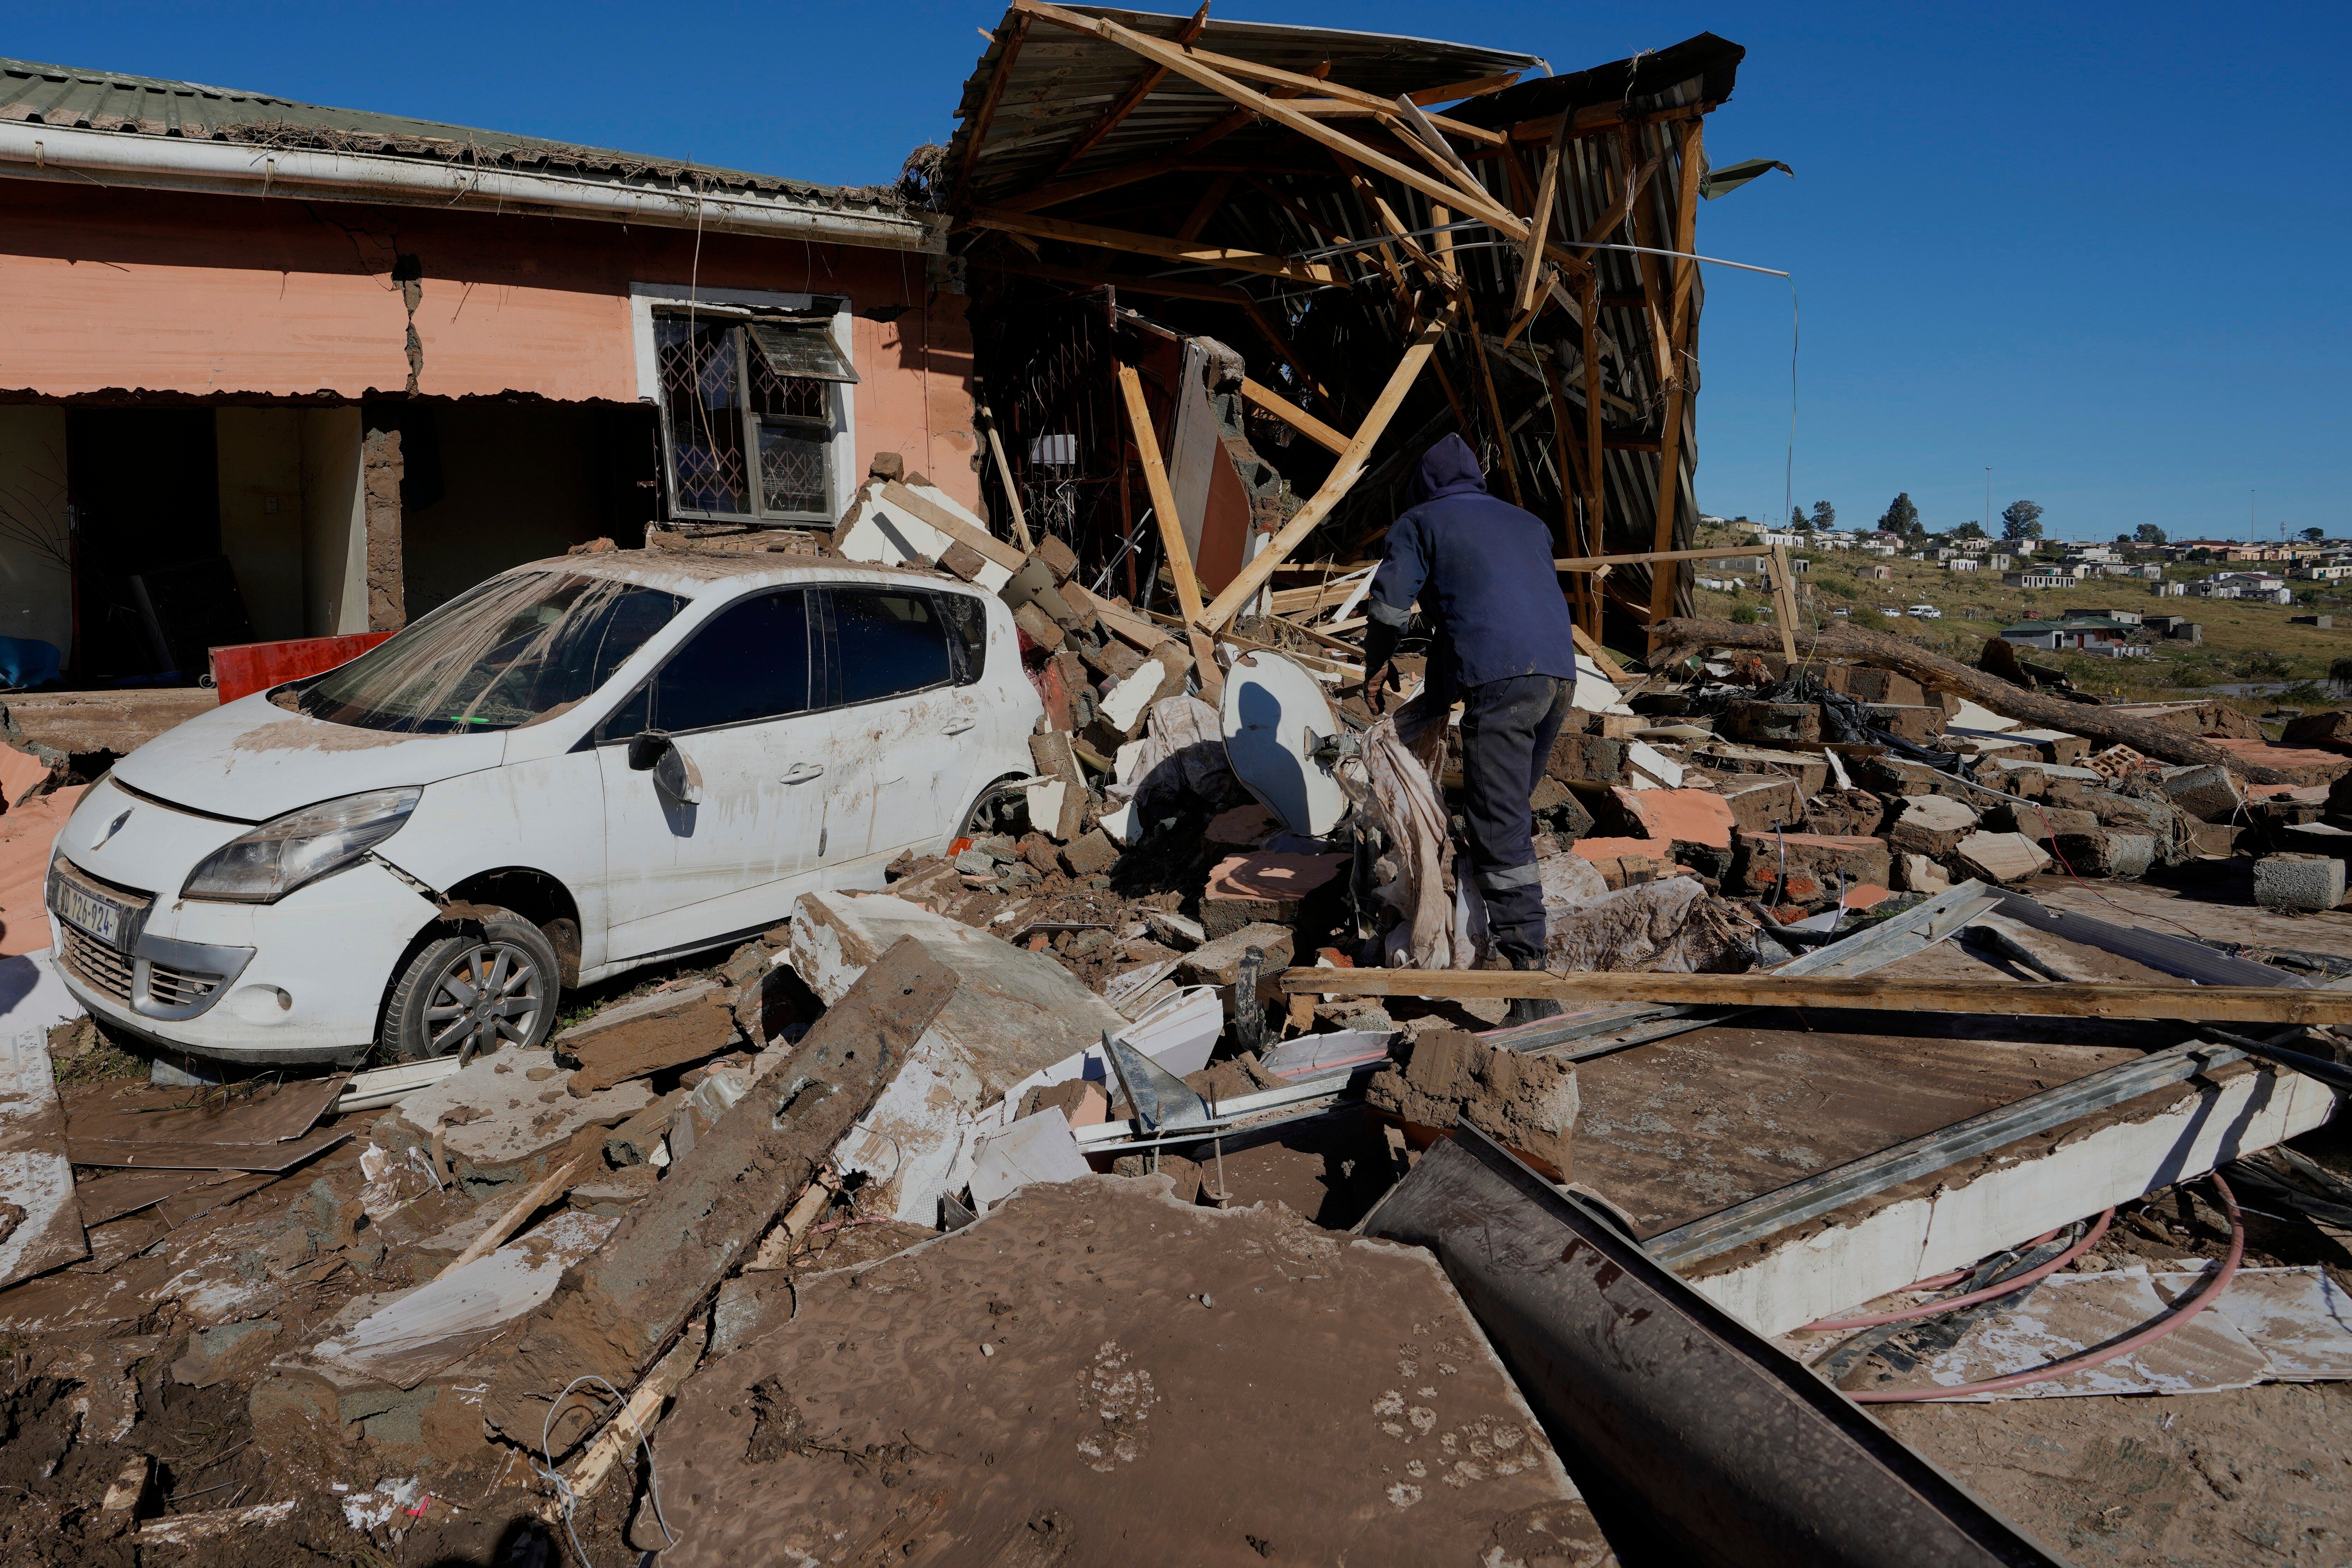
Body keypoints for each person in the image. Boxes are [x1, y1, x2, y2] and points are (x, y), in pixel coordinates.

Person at [1359, 434, 1579, 1024]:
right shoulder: (1528, 525)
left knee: (1497, 829)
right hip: (1558, 677)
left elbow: (1388, 609)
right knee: (1503, 815)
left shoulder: (1420, 522)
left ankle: (1530, 985)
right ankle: (1477, 924)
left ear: (1422, 486)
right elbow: (1474, 617)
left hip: (1504, 683)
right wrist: (1432, 704)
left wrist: (1375, 662)